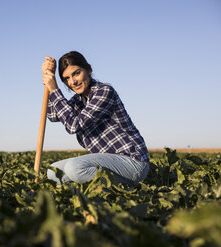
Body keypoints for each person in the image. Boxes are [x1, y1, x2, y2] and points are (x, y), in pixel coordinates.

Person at [42, 51, 149, 186]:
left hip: (132, 162)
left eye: (76, 73)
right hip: (107, 161)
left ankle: (127, 185)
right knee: (53, 172)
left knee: (74, 168)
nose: (73, 82)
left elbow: (73, 125)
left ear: (89, 70)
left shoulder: (104, 91)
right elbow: (53, 115)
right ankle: (93, 186)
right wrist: (49, 79)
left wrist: (54, 90)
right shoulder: (78, 101)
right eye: (67, 78)